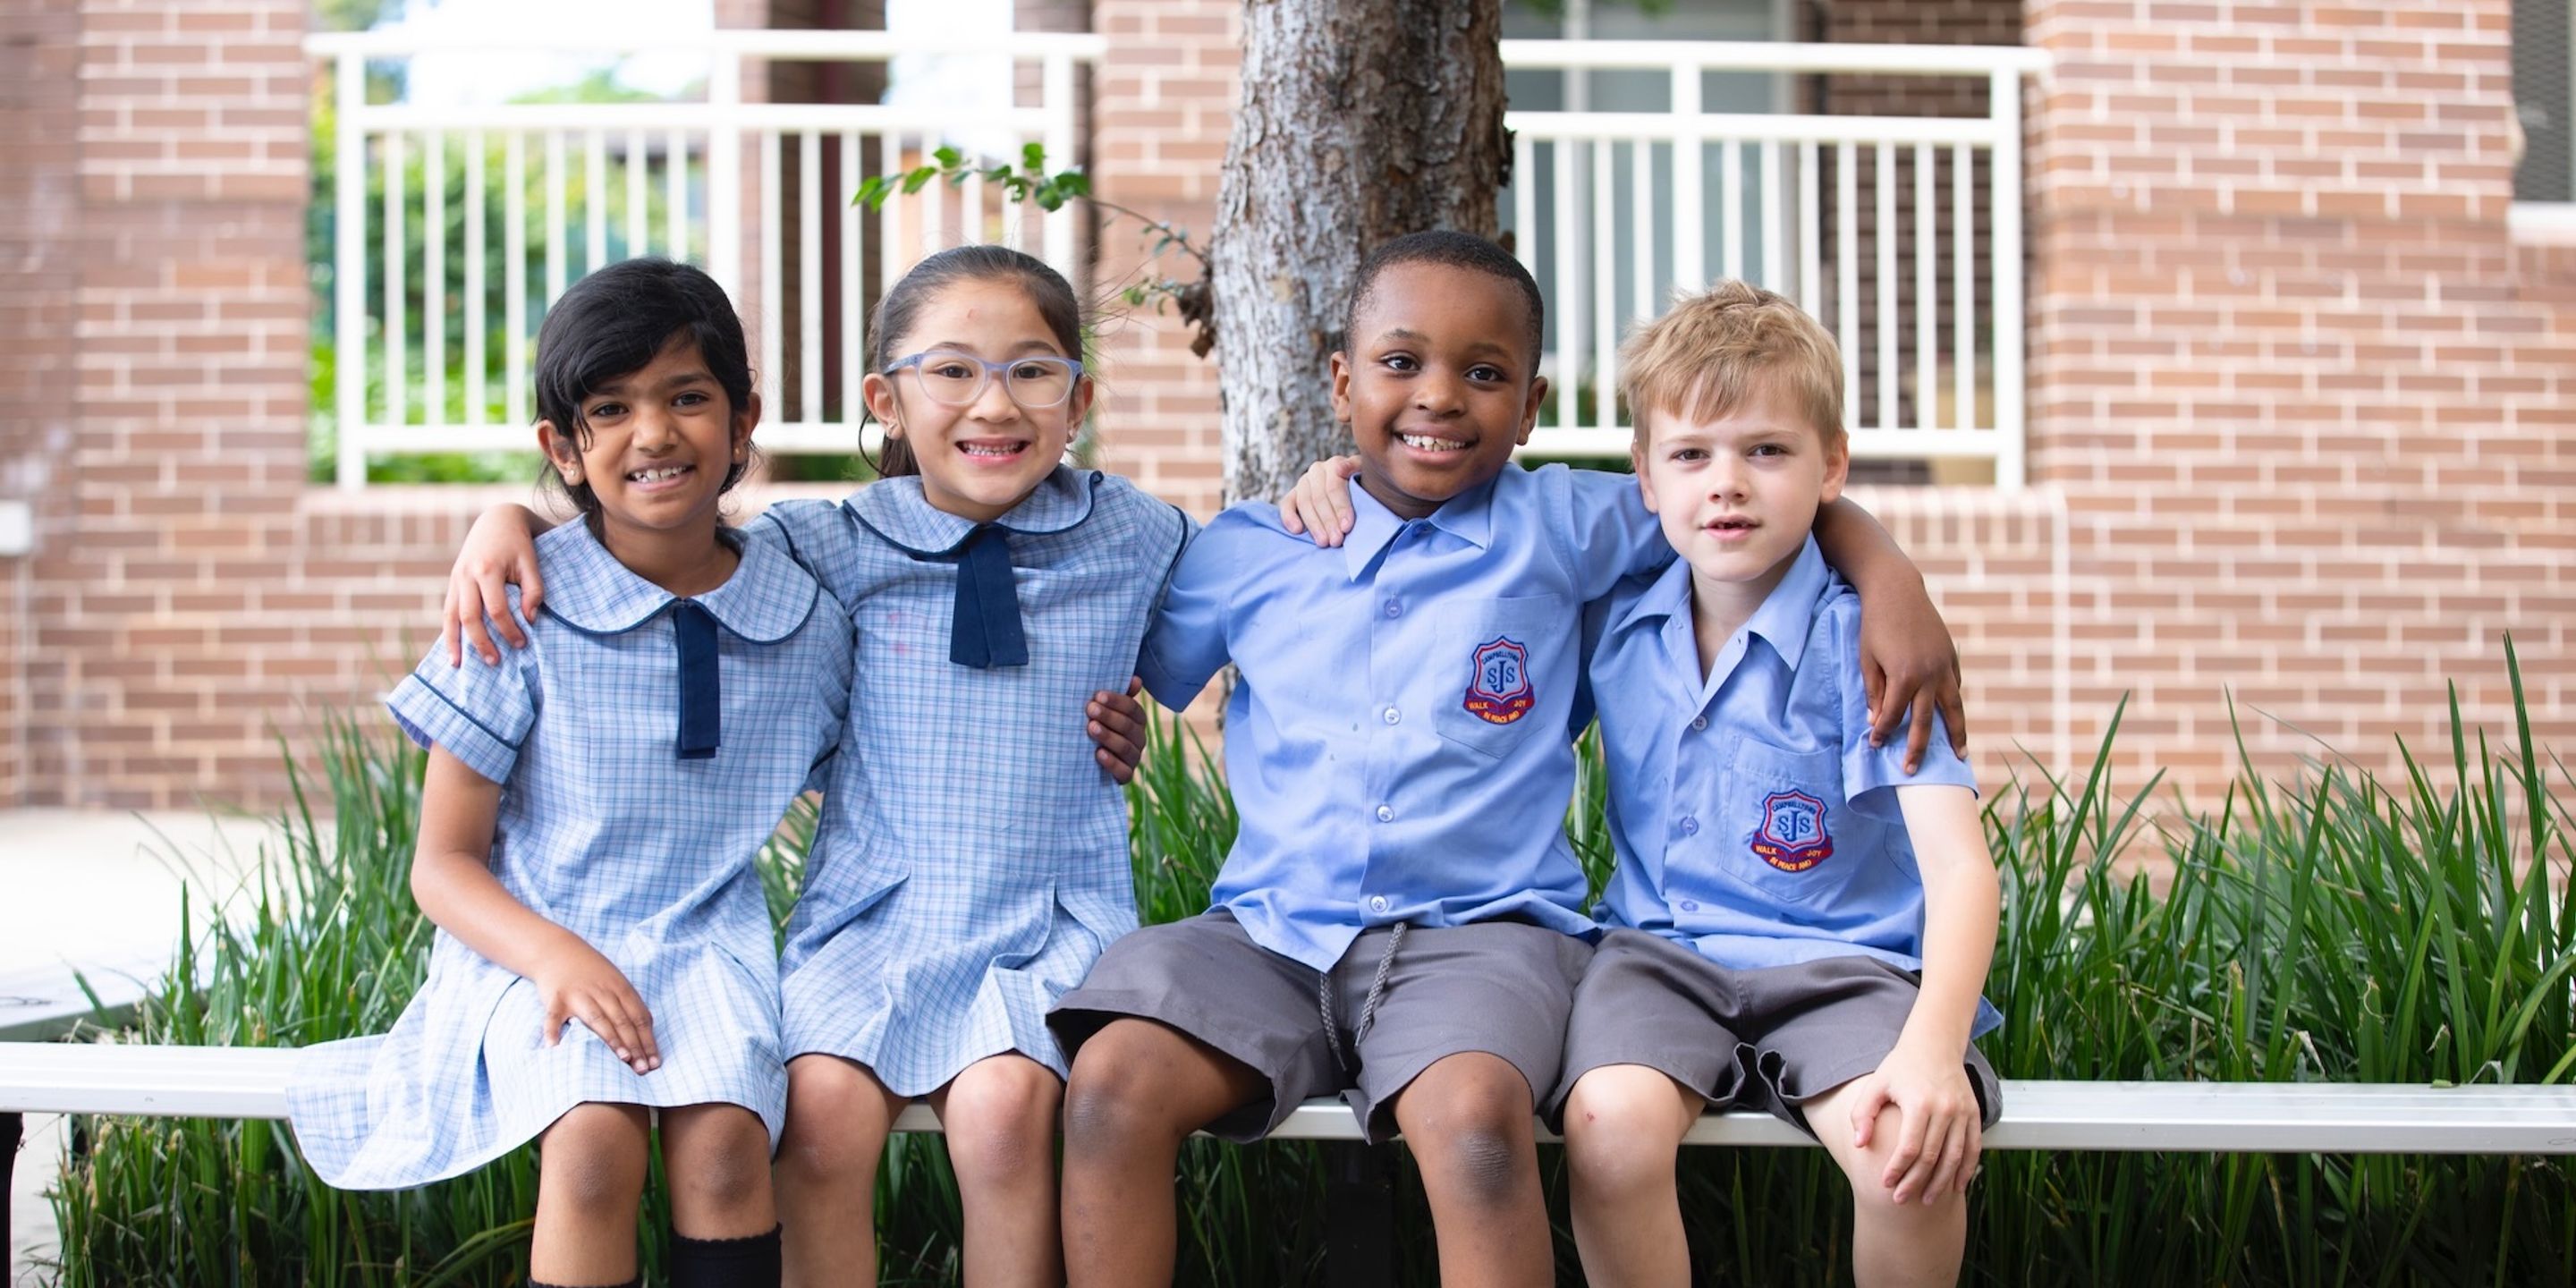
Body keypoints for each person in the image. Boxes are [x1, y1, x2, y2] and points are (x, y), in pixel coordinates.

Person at [1049, 231, 1967, 1288]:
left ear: (1528, 408)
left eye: (1483, 374)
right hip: (1271, 933)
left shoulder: (1569, 523)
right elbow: (1130, 678)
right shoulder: (1254, 547)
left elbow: (1742, 479)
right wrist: (1114, 723)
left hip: (1485, 940)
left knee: (1479, 1124)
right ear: (1344, 383)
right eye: (1400, 365)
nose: (1438, 397)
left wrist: (1887, 573)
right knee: (1111, 1085)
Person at [435, 245, 1176, 1288]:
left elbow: (1264, 579)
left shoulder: (1138, 535)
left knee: (1006, 1118)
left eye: (1030, 370)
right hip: (871, 917)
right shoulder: (820, 546)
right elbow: (665, 534)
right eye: (952, 370)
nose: (992, 401)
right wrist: (503, 519)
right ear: (887, 398)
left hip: (1042, 915)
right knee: (813, 1123)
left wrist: (1327, 483)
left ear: (1078, 395)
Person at [289, 258, 849, 1288]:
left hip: (709, 941)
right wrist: (555, 958)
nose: (654, 433)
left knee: (728, 1141)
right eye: (611, 408)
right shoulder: (513, 613)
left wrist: (1105, 722)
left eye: (688, 397)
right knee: (591, 1141)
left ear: (743, 420)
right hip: (531, 942)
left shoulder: (805, 614)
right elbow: (443, 866)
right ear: (562, 446)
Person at [1551, 280, 2001, 1288]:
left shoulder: (1871, 650)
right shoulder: (1614, 624)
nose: (1728, 484)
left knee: (1903, 1163)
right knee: (1607, 1128)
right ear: (1646, 477)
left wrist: (1931, 1053)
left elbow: (1962, 871)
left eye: (1767, 451)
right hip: (1656, 958)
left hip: (1845, 967)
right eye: (1692, 455)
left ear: (1831, 465)